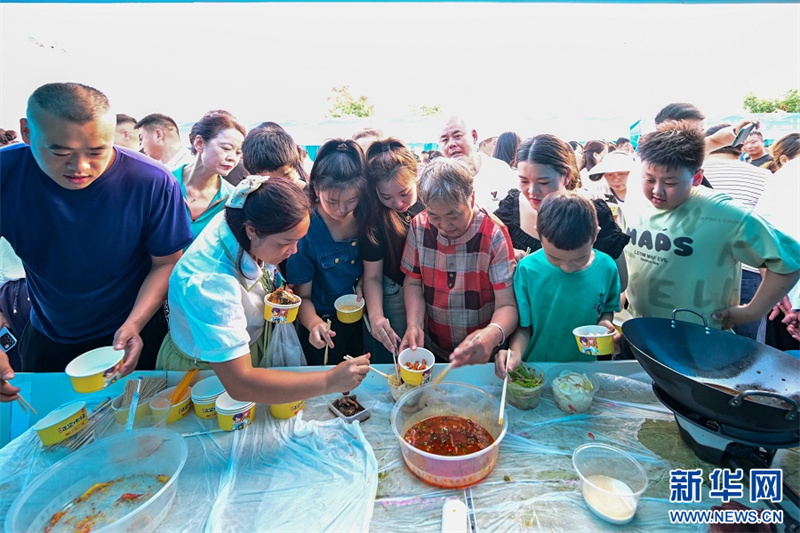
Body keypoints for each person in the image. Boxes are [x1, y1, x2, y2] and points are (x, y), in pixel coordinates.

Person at [0, 82, 192, 403]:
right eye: (60, 152)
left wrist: (134, 324)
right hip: (48, 331)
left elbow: (166, 262)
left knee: (141, 421)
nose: (80, 167)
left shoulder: (151, 181)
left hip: (133, 331)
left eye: (96, 151)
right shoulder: (6, 174)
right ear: (27, 132)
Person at [156, 177, 370, 401]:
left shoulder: (243, 215)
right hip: (206, 372)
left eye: (298, 240)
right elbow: (240, 383)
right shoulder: (211, 284)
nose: (294, 251)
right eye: (286, 243)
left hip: (249, 348)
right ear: (252, 230)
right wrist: (329, 381)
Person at [621, 123, 800, 332]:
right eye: (649, 179)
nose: (657, 191)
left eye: (670, 183)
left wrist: (752, 311)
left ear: (697, 177)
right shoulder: (635, 200)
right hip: (640, 329)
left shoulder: (726, 215)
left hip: (700, 338)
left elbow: (790, 259)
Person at [400, 158, 518, 367]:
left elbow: (507, 304)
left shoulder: (493, 235)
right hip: (433, 345)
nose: (444, 226)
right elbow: (412, 283)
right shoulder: (419, 226)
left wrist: (491, 335)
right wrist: (414, 325)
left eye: (453, 215)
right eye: (434, 216)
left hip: (482, 353)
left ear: (471, 198)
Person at [496, 192, 620, 373]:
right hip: (536, 368)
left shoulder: (607, 268)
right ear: (538, 233)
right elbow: (524, 327)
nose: (567, 268)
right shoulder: (527, 270)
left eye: (579, 259)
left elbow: (607, 308)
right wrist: (514, 354)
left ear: (595, 235)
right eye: (554, 258)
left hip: (584, 368)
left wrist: (604, 324)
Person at [494, 134, 629, 289]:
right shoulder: (511, 208)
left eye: (543, 182)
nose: (532, 191)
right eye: (524, 181)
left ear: (566, 176)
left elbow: (620, 281)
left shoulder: (594, 214)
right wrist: (508, 253)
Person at [286, 139, 369, 365]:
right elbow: (302, 297)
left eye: (351, 200)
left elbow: (371, 268)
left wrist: (362, 281)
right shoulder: (306, 229)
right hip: (322, 325)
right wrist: (314, 324)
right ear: (316, 189)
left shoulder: (365, 218)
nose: (342, 209)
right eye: (332, 201)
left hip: (358, 320)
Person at [702, 123, 771, 341]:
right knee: (743, 350)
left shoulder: (687, 174)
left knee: (696, 345)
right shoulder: (763, 176)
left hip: (695, 270)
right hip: (747, 271)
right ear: (740, 148)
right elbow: (769, 232)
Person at [361, 138, 425, 362]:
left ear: (416, 176)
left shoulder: (430, 198)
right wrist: (376, 316)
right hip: (395, 289)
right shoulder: (374, 218)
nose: (398, 203)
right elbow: (372, 276)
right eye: (386, 197)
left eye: (404, 193)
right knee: (403, 354)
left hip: (433, 284)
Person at [172, 112, 245, 244]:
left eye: (238, 152)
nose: (232, 158)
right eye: (226, 148)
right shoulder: (165, 184)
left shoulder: (231, 199)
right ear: (199, 143)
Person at [439, 116, 518, 212]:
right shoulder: (438, 182)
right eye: (445, 140)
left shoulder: (500, 170)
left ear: (474, 136)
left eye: (457, 136)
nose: (451, 144)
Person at [241, 125, 307, 188]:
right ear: (251, 176)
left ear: (295, 167)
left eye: (286, 174)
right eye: (270, 182)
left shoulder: (310, 194)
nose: (281, 185)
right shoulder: (243, 194)